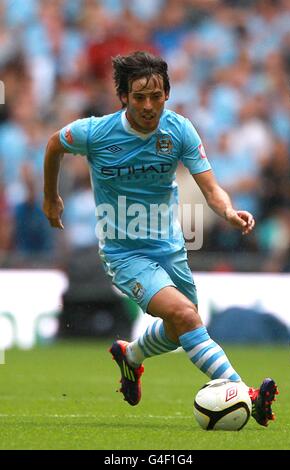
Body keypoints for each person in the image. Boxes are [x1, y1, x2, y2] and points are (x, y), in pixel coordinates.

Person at [43, 51, 278, 427]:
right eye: (139, 97)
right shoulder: (96, 132)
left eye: (156, 96)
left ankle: (131, 356)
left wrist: (229, 212)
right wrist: (50, 197)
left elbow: (212, 189)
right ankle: (245, 392)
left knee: (179, 328)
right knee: (185, 316)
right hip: (125, 253)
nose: (149, 105)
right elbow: (55, 143)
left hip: (170, 247)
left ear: (167, 94)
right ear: (123, 97)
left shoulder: (179, 130)